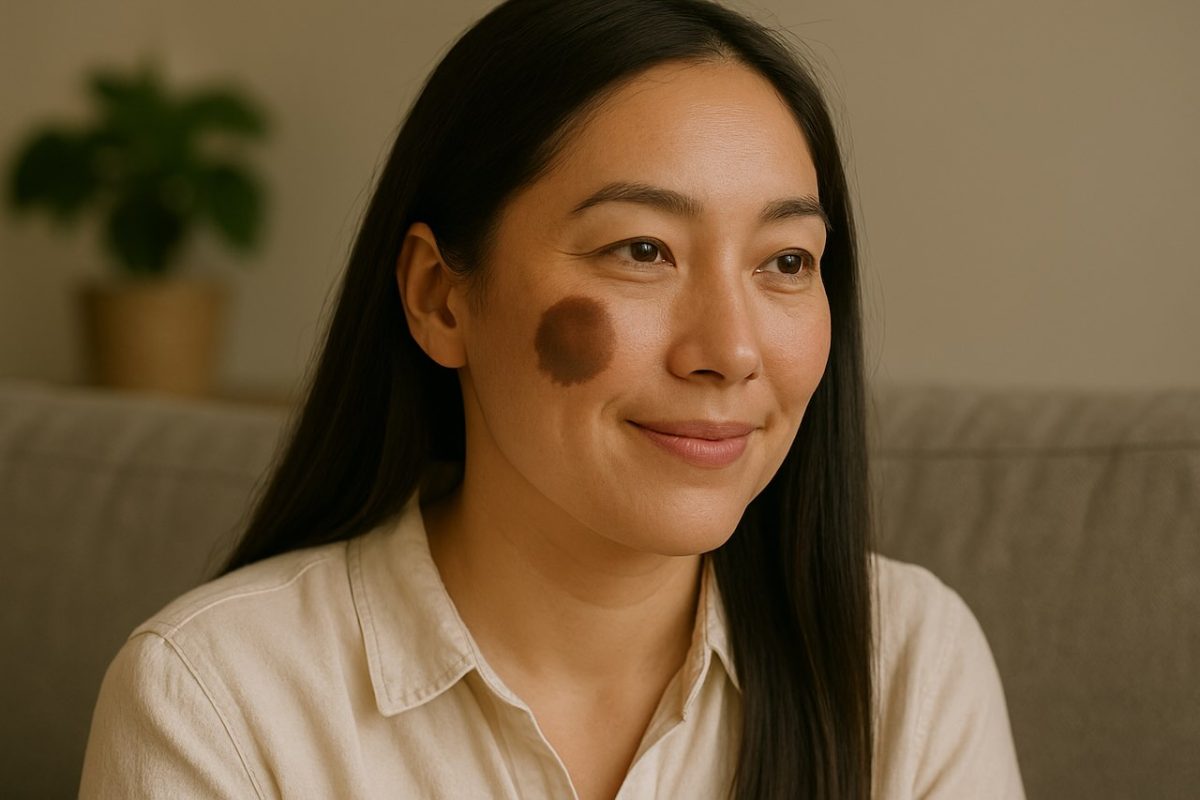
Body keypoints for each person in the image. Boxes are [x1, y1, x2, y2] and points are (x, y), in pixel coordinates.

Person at [79, 0, 1026, 797]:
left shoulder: (902, 663)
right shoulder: (215, 699)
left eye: (785, 261)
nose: (731, 351)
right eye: (641, 250)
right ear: (440, 297)